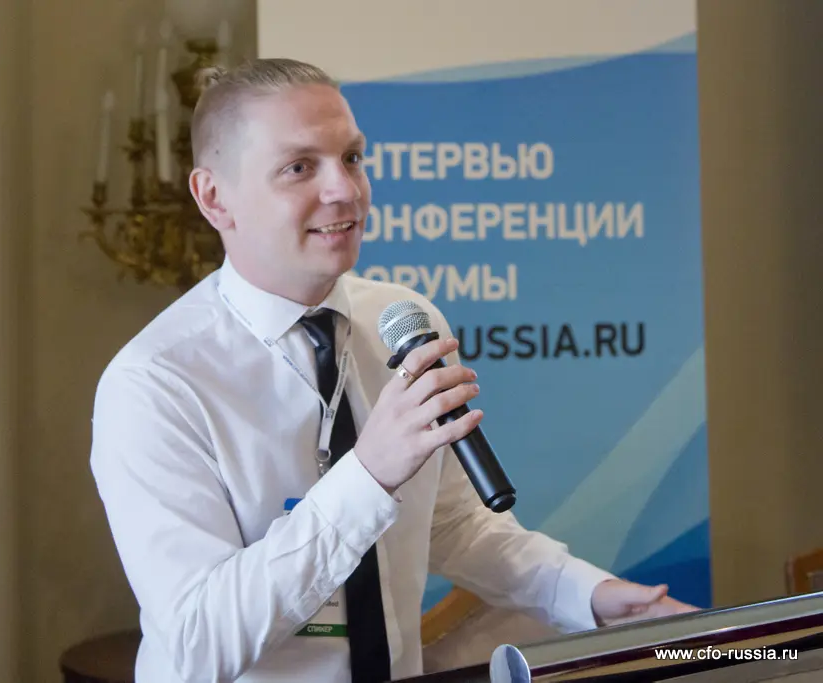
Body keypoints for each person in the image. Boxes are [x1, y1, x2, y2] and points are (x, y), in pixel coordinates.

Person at [89, 57, 696, 683]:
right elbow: (196, 642)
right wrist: (368, 476)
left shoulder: (403, 323)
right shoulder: (155, 383)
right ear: (215, 198)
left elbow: (454, 524)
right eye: (300, 167)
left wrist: (590, 596)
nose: (345, 190)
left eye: (352, 157)